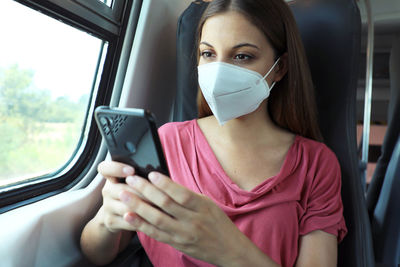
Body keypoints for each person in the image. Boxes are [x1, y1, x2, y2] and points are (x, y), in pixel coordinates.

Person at [80, 0, 347, 266]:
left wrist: (229, 250)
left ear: (279, 67)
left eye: (242, 56)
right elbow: (97, 254)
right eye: (208, 54)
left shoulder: (316, 164)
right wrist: (107, 217)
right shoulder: (165, 142)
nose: (219, 72)